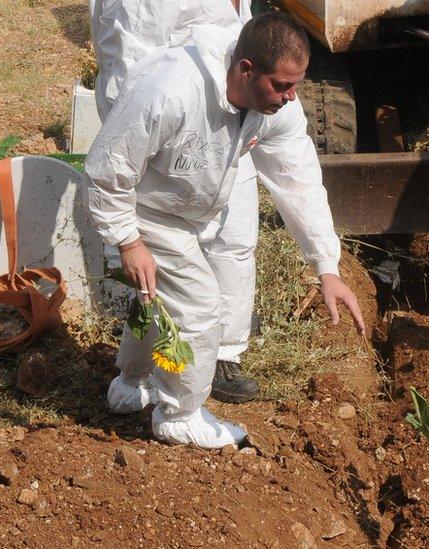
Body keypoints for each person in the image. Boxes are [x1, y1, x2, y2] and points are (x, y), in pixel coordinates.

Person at [85, 13, 366, 448]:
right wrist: (128, 239)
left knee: (158, 299)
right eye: (282, 86)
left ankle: (130, 384)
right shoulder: (172, 90)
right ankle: (180, 414)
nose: (291, 98)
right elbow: (108, 171)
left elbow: (298, 179)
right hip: (146, 209)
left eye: (297, 85)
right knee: (199, 306)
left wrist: (326, 266)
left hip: (185, 210)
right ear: (245, 68)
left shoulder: (271, 106)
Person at [89, 0, 271, 404]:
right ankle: (178, 407)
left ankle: (219, 355)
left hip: (228, 103)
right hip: (166, 126)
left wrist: (325, 260)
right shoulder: (155, 46)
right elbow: (129, 62)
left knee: (235, 237)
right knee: (189, 295)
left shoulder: (256, 77)